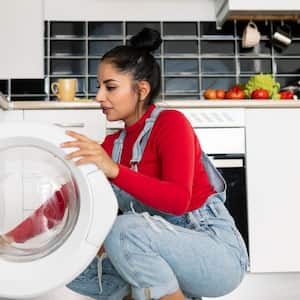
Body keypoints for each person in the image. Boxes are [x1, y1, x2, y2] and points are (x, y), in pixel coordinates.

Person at [0, 27, 248, 300]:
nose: (99, 97)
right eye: (99, 87)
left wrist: (115, 171)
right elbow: (63, 202)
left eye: (110, 87)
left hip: (216, 254)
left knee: (123, 230)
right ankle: (158, 293)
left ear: (141, 90)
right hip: (159, 255)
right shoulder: (110, 147)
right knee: (67, 262)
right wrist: (7, 239)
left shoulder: (171, 124)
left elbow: (178, 200)